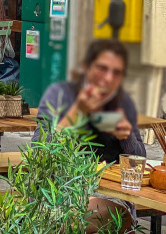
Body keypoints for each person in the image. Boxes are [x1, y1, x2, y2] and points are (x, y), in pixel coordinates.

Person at [33, 39, 144, 232]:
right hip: (58, 191)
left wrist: (126, 136)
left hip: (109, 195)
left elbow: (140, 163)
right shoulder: (58, 97)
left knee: (81, 216)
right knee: (73, 216)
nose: (108, 78)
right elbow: (38, 154)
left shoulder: (122, 102)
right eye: (102, 68)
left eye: (116, 72)